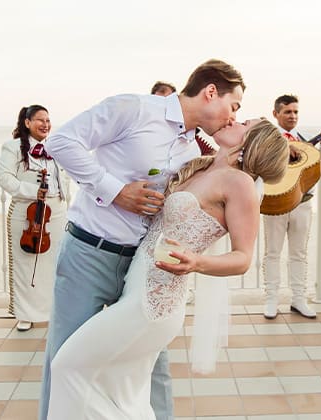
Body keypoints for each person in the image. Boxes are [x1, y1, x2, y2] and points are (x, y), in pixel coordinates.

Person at [40, 59, 246, 420]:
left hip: (146, 270)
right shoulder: (132, 108)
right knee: (66, 357)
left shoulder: (194, 154)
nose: (232, 117)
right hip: (90, 252)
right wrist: (115, 190)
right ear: (211, 92)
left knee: (152, 369)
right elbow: (61, 141)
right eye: (234, 106)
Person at [48, 119, 288, 419]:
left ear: (253, 143)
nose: (233, 119)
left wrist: (197, 262)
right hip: (136, 291)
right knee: (122, 393)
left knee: (67, 366)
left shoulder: (239, 184)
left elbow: (243, 258)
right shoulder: (201, 166)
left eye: (244, 123)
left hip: (154, 305)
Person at [261, 94, 321, 319]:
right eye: (287, 112)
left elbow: (320, 170)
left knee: (299, 253)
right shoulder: (267, 140)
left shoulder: (303, 140)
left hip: (302, 203)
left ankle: (299, 299)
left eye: (295, 112)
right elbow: (258, 165)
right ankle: (271, 299)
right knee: (272, 252)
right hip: (275, 201)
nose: (292, 116)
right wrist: (282, 150)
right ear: (276, 114)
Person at [0, 105, 66, 332]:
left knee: (52, 265)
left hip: (55, 214)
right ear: (27, 123)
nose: (45, 124)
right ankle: (25, 315)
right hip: (27, 214)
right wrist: (31, 191)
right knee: (25, 264)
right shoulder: (12, 147)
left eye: (48, 120)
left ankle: (51, 311)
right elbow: (4, 179)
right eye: (40, 120)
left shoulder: (53, 147)